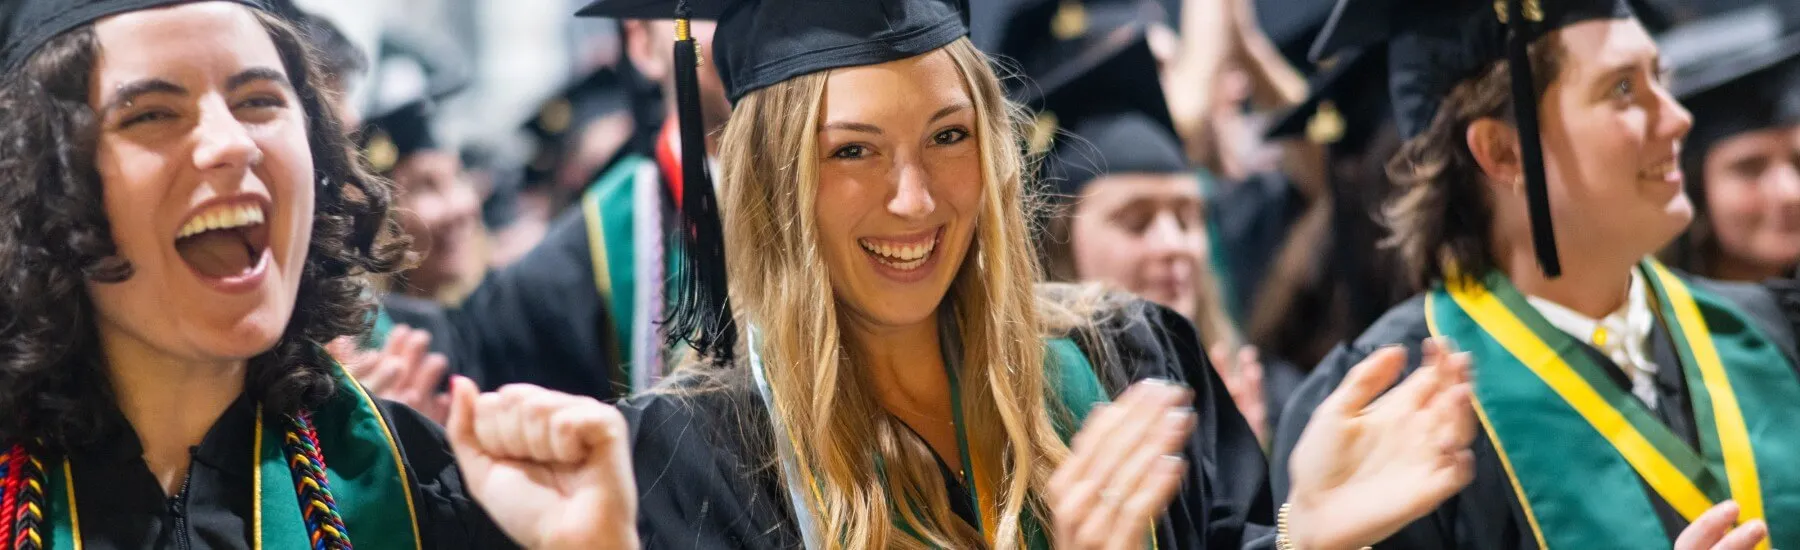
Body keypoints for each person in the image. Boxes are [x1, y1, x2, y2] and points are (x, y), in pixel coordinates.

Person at [611, 0, 1482, 548]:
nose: (914, 200)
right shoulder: (693, 459)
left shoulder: (1130, 358)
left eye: (948, 137)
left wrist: (1306, 535)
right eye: (853, 151)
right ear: (774, 184)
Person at [0, 1, 637, 546]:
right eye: (151, 113)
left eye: (259, 100)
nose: (233, 143)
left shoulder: (431, 491)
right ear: (39, 183)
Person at [1271, 0, 1800, 547]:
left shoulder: (1768, 335)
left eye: (1659, 78)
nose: (1677, 116)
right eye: (1622, 89)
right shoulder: (1394, 417)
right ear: (1503, 153)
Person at [974, 0, 1289, 446]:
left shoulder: (1259, 394)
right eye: (1136, 222)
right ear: (1059, 241)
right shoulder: (1031, 418)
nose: (1172, 244)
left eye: (1187, 219)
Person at [1659, 6, 1800, 282]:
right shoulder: (1651, 318)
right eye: (1749, 168)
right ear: (1693, 188)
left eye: (1799, 163)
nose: (1791, 192)